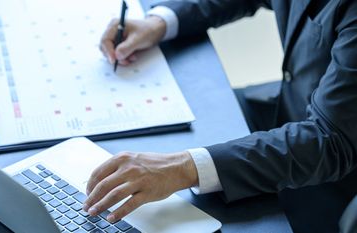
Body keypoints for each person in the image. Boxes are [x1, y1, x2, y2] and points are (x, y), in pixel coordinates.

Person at [83, 0, 357, 232]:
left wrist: (184, 167)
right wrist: (162, 21)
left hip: (330, 181)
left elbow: (332, 140)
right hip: (290, 108)